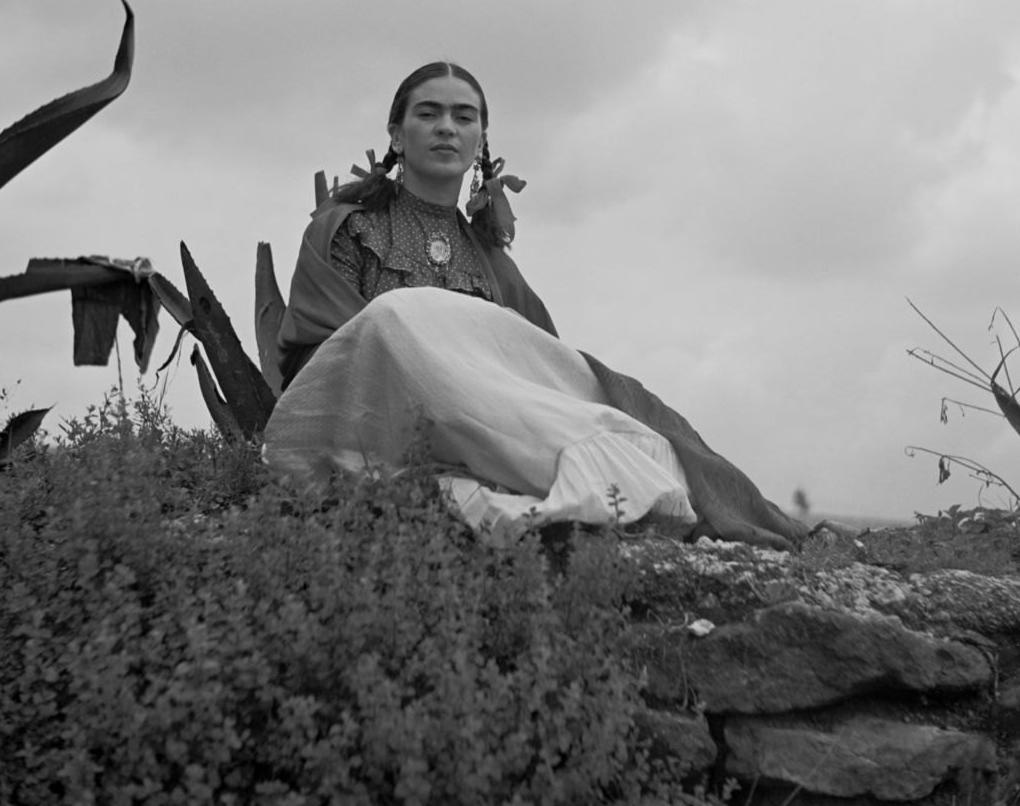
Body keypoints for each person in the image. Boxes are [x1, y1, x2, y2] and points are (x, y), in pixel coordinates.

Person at [266, 61, 807, 548]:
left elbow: (532, 373)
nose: (446, 127)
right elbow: (325, 363)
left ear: (481, 140)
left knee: (629, 429)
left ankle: (597, 465)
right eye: (428, 114)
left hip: (483, 428)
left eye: (464, 117)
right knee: (394, 317)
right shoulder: (347, 231)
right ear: (396, 134)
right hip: (375, 424)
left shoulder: (492, 262)